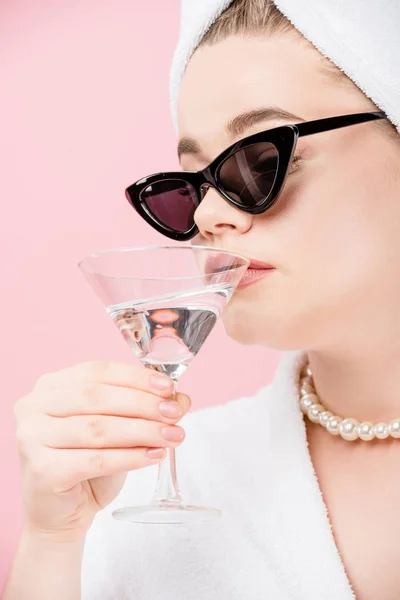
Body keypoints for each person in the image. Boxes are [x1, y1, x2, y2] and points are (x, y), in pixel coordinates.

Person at [4, 0, 400, 598]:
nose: (210, 215)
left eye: (259, 161)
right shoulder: (134, 494)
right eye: (190, 185)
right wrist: (51, 545)